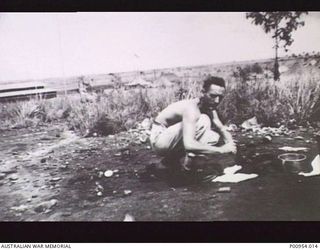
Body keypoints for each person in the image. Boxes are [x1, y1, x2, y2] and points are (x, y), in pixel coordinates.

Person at [149, 76, 237, 171]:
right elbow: (189, 144)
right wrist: (222, 150)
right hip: (159, 139)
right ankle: (189, 166)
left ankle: (170, 161)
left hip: (170, 138)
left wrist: (231, 145)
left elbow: (221, 127)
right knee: (204, 120)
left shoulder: (210, 107)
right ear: (203, 92)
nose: (217, 101)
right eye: (213, 96)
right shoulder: (192, 109)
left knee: (213, 136)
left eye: (220, 97)